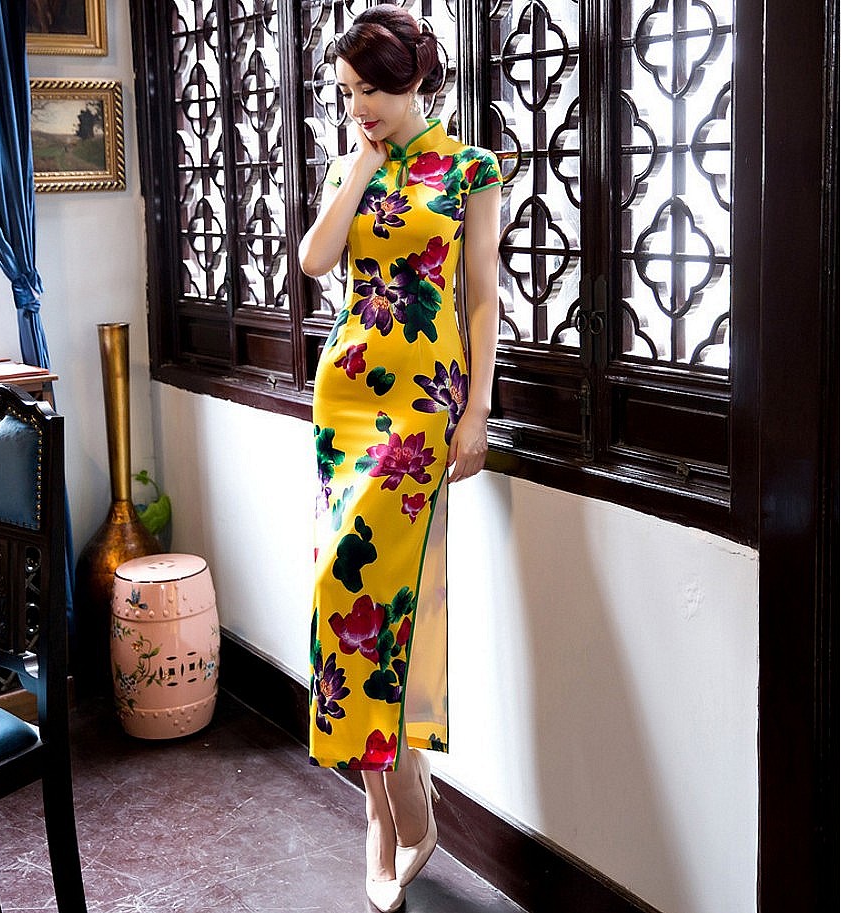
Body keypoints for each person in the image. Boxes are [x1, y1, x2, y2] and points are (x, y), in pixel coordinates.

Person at [299, 5, 501, 911]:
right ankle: (388, 802)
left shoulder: (469, 169)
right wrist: (356, 169)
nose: (359, 107)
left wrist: (477, 412)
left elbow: (481, 298)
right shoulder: (354, 162)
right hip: (345, 397)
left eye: (372, 90)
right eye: (347, 93)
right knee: (341, 592)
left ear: (415, 78)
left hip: (422, 406)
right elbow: (316, 261)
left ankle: (396, 803)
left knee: (380, 598)